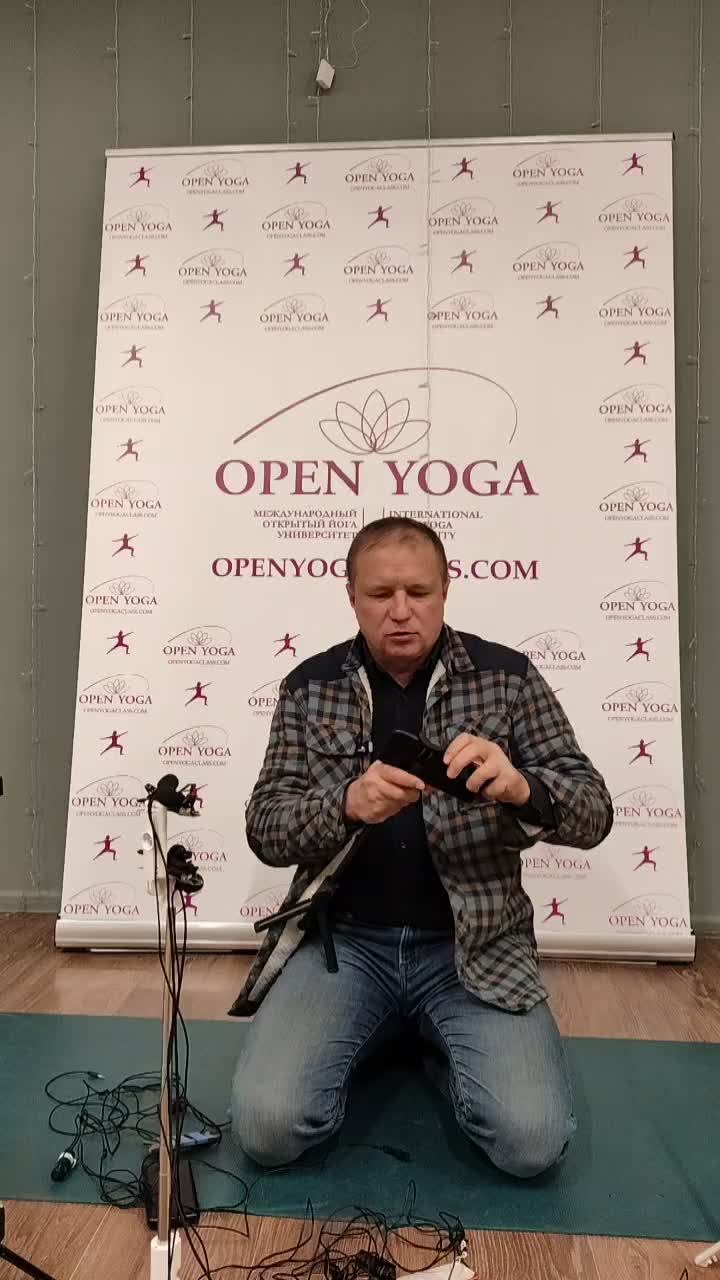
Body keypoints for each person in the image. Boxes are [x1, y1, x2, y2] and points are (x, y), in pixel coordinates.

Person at [229, 518, 613, 1178]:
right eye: (381, 594)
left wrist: (523, 788)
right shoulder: (308, 686)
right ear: (352, 597)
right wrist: (345, 804)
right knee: (267, 1130)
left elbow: (594, 811)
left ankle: (422, 1047)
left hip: (476, 948)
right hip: (344, 947)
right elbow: (265, 827)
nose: (401, 611)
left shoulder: (509, 678)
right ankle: (392, 1034)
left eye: (418, 592)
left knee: (531, 1145)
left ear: (445, 591)